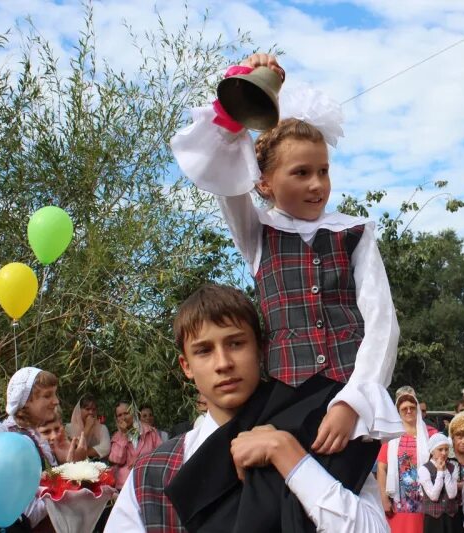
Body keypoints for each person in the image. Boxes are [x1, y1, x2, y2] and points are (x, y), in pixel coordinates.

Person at [172, 52, 402, 530]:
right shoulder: (257, 233)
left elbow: (381, 325)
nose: (317, 184)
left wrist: (353, 402)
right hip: (284, 397)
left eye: (323, 170)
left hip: (342, 395)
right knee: (233, 492)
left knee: (320, 503)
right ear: (264, 184)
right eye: (301, 173)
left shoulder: (354, 233)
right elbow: (223, 172)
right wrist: (246, 86)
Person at [106, 284, 390, 532]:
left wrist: (289, 456)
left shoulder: (321, 435)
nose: (223, 363)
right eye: (204, 350)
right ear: (186, 366)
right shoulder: (150, 474)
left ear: (261, 350)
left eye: (236, 343)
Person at [377, 389, 436, 533]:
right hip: (399, 500)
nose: (408, 411)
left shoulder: (431, 434)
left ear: (417, 409)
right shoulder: (390, 436)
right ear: (398, 412)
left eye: (412, 407)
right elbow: (381, 468)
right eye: (404, 409)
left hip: (427, 498)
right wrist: (384, 499)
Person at [3, 366, 86, 467]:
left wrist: (66, 461)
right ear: (26, 401)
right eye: (47, 395)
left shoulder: (36, 435)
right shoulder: (16, 442)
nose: (56, 401)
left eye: (55, 394)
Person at [108, 400, 162, 490]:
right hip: (125, 486)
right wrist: (123, 436)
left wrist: (142, 460)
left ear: (134, 412)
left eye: (126, 413)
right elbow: (118, 460)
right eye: (119, 415)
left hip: (147, 482)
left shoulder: (150, 432)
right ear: (116, 419)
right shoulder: (116, 437)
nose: (123, 418)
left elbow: (161, 453)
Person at [417, 433, 458, 533]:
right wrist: (440, 472)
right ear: (432, 451)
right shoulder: (424, 469)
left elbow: (452, 494)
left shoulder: (452, 467)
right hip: (433, 518)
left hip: (450, 516)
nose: (444, 453)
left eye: (446, 449)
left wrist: (445, 471)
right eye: (440, 449)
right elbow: (434, 496)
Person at [447, 416, 464, 529]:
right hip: (451, 513)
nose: (463, 441)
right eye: (459, 437)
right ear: (453, 438)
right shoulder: (445, 457)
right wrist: (462, 486)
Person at [66, 395, 111, 459]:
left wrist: (80, 453)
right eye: (87, 409)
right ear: (79, 410)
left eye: (94, 409)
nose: (91, 412)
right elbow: (71, 449)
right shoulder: (69, 428)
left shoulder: (102, 428)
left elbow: (105, 449)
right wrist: (87, 428)